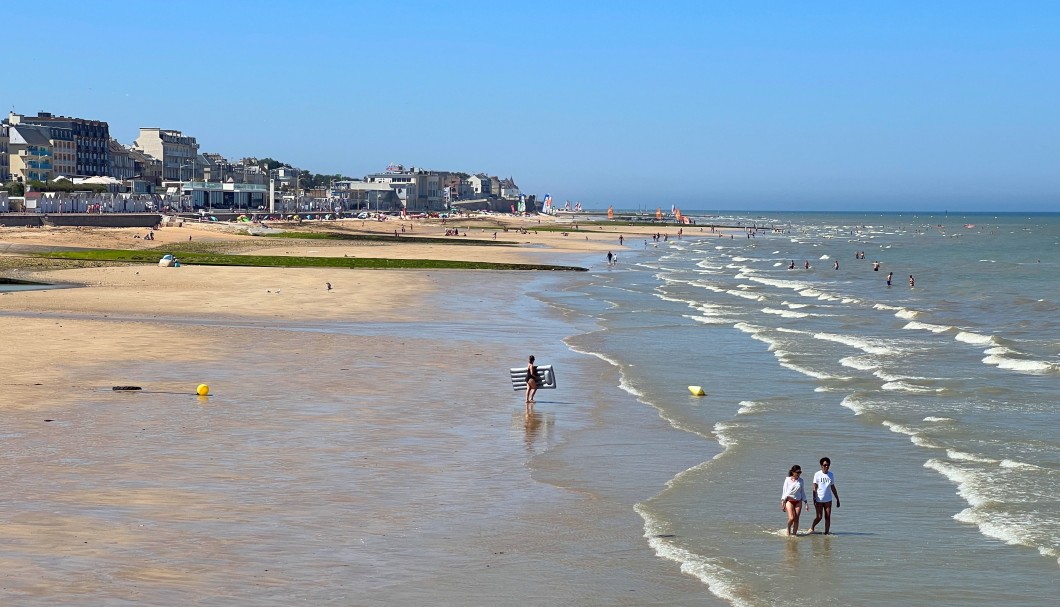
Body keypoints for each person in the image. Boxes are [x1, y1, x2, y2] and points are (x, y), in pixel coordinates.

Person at [811, 457, 840, 534]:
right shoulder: (817, 474)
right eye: (825, 465)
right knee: (819, 517)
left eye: (828, 465)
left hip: (828, 499)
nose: (826, 466)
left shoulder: (831, 475)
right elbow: (814, 487)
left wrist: (837, 499)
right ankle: (812, 527)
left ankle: (826, 533)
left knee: (827, 517)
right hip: (819, 499)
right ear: (821, 465)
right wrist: (814, 498)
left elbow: (833, 487)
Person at [781, 465, 808, 536]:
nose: (799, 474)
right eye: (797, 472)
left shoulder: (801, 481)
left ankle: (794, 535)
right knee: (791, 518)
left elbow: (802, 492)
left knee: (796, 519)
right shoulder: (787, 480)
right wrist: (783, 502)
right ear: (793, 472)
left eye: (800, 472)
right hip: (789, 501)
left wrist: (806, 502)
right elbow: (784, 491)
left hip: (798, 501)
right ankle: (788, 530)